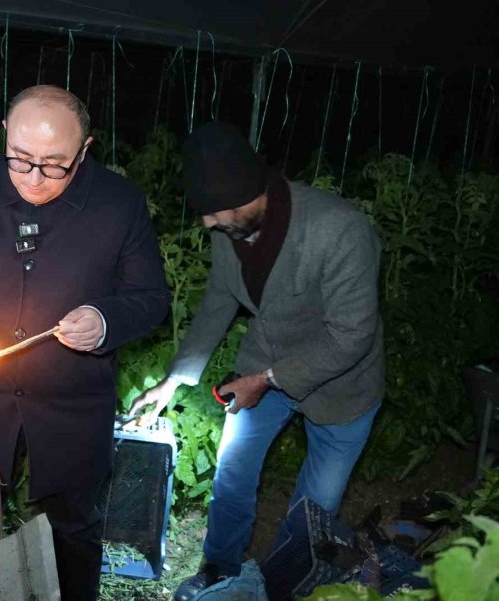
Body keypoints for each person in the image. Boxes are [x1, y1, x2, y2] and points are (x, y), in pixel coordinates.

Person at [0, 85, 170, 600]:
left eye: (54, 166)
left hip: (74, 401)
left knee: (73, 528)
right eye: (21, 160)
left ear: (86, 150)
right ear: (5, 134)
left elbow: (150, 297)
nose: (33, 178)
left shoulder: (119, 204)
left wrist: (104, 319)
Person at [129, 122, 384, 600]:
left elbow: (352, 335)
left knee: (315, 507)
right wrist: (175, 379)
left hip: (343, 386)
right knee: (232, 468)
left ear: (257, 192)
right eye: (204, 211)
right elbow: (218, 302)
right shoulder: (229, 226)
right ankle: (219, 567)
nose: (208, 223)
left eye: (218, 210)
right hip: (263, 362)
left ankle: (282, 582)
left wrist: (267, 380)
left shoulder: (339, 230)